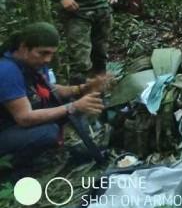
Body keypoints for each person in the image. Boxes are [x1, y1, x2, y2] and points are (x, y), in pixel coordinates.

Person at [0, 22, 107, 172]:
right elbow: (24, 118)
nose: (48, 59)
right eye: (43, 53)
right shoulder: (7, 71)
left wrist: (82, 88)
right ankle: (18, 169)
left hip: (18, 120)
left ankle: (70, 143)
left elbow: (51, 90)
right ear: (24, 47)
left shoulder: (33, 62)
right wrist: (73, 107)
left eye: (51, 54)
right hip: (7, 129)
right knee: (48, 132)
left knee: (68, 105)